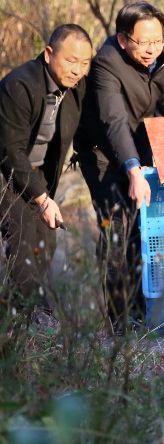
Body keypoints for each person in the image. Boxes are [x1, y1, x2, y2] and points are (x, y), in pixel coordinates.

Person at [74, 1, 164, 332]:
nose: (152, 49)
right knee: (116, 231)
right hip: (103, 151)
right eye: (144, 42)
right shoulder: (106, 62)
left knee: (143, 229)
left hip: (139, 143)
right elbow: (113, 121)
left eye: (158, 40)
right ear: (123, 39)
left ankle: (143, 313)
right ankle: (119, 322)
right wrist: (133, 169)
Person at [0, 24, 93, 321]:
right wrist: (42, 199)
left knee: (45, 240)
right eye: (71, 60)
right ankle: (39, 321)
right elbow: (10, 151)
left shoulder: (76, 86)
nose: (78, 70)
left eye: (84, 62)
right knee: (24, 237)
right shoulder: (19, 85)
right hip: (6, 171)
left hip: (35, 171)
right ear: (49, 53)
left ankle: (16, 320)